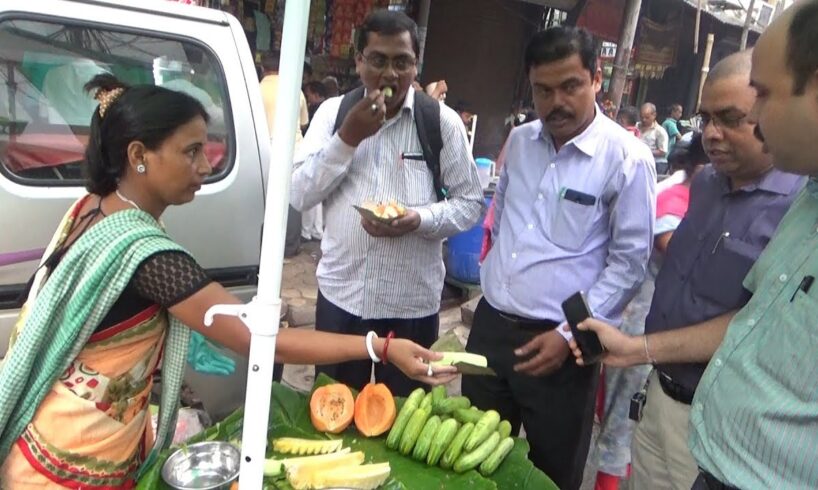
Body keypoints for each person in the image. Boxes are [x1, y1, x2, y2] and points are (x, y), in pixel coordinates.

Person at [0, 74, 456, 488]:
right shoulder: (150, 259)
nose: (205, 165)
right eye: (191, 151)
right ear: (138, 155)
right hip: (72, 467)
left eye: (206, 148)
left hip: (43, 442)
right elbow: (265, 342)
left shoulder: (92, 208)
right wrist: (379, 346)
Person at [570, 4, 818, 488]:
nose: (709, 133)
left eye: (738, 114)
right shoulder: (706, 185)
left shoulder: (790, 202)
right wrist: (637, 350)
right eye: (707, 118)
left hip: (727, 441)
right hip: (665, 404)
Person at [462, 26, 655, 490]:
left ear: (596, 78)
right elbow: (504, 214)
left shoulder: (626, 159)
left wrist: (569, 336)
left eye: (570, 86)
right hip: (491, 331)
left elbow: (629, 265)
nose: (555, 103)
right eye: (542, 90)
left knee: (552, 473)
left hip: (562, 346)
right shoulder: (523, 141)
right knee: (469, 459)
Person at [290, 10, 483, 397]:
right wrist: (347, 138)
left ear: (417, 65)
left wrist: (420, 219)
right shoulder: (334, 114)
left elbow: (471, 204)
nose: (390, 74)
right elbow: (299, 194)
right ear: (360, 61)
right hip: (343, 299)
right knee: (334, 410)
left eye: (402, 62)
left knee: (403, 417)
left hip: (411, 306)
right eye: (378, 60)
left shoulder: (440, 123)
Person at [591, 132, 708, 490]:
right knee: (620, 425)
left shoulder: (708, 198)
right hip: (640, 329)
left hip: (681, 339)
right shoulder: (675, 198)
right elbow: (674, 252)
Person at [259, 51, 310, 257]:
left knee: (265, 196)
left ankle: (266, 244)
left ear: (263, 67)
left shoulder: (256, 89)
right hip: (294, 148)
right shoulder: (294, 89)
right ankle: (290, 246)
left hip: (266, 148)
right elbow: (304, 122)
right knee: (292, 197)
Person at [639, 102, 669, 174]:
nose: (644, 120)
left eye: (647, 117)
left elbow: (663, 152)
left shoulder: (660, 131)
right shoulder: (636, 126)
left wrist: (644, 152)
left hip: (654, 164)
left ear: (654, 115)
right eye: (642, 117)